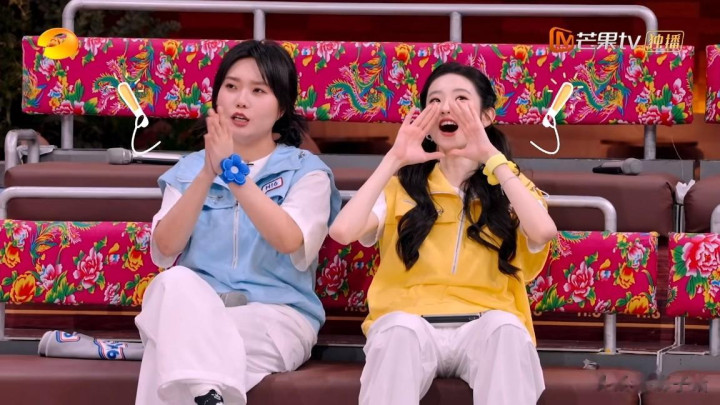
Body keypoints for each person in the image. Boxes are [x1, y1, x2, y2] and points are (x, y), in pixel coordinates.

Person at [329, 62, 557, 405]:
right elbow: (342, 231)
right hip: (410, 323)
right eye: (435, 101)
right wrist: (394, 159)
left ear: (487, 116)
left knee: (508, 331)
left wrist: (493, 159)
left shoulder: (510, 186)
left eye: (461, 99)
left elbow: (543, 231)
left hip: (485, 324)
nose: (446, 108)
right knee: (398, 332)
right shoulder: (399, 187)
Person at [135, 39, 341, 405]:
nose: (240, 100)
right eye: (231, 87)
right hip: (195, 311)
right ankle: (208, 396)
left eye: (258, 91)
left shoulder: (307, 172)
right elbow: (165, 249)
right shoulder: (188, 170)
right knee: (173, 283)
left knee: (170, 346)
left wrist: (233, 173)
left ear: (282, 108)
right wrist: (206, 173)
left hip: (276, 318)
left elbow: (289, 240)